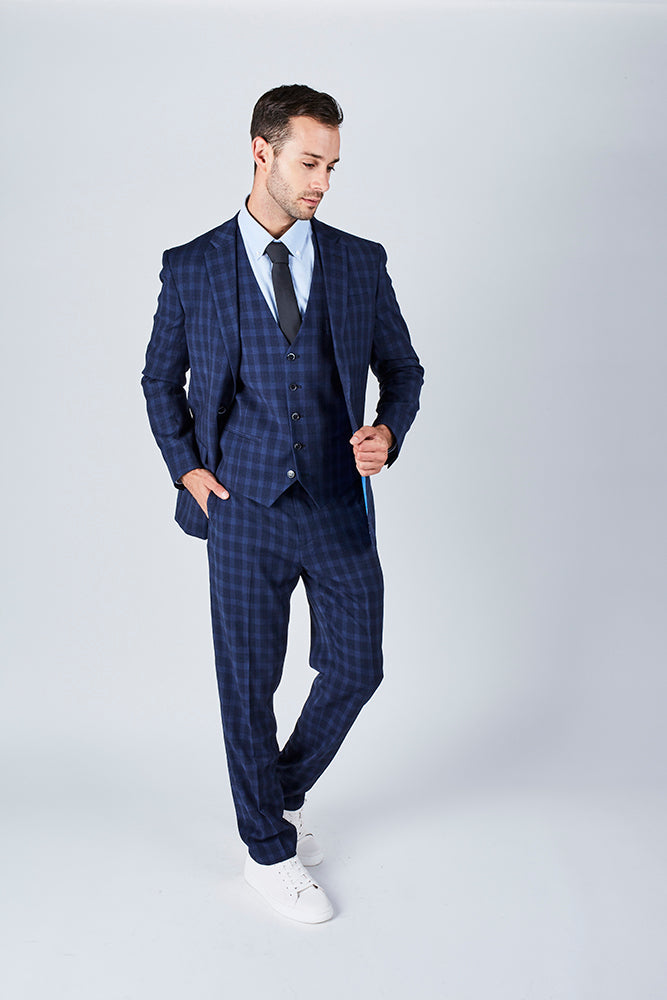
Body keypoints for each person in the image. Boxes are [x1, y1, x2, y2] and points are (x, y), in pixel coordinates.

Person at [142, 84, 423, 924]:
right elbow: (159, 379)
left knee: (357, 667)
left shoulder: (358, 261)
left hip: (335, 502)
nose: (322, 184)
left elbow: (402, 370)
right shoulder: (192, 265)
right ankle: (267, 851)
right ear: (260, 152)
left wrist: (387, 431)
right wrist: (187, 469)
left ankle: (275, 797)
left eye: (332, 167)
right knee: (247, 682)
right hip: (241, 506)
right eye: (309, 163)